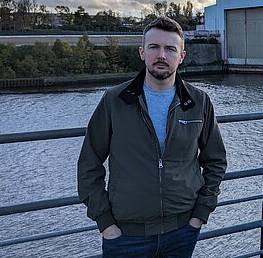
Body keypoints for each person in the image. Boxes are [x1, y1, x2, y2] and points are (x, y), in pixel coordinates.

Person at [77, 16, 227, 257]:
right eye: (154, 47)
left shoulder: (198, 102)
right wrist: (105, 223)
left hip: (182, 230)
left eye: (170, 49)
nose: (161, 55)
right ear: (142, 52)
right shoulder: (115, 101)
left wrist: (200, 214)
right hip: (125, 236)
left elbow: (215, 159)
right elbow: (89, 162)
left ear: (181, 56)